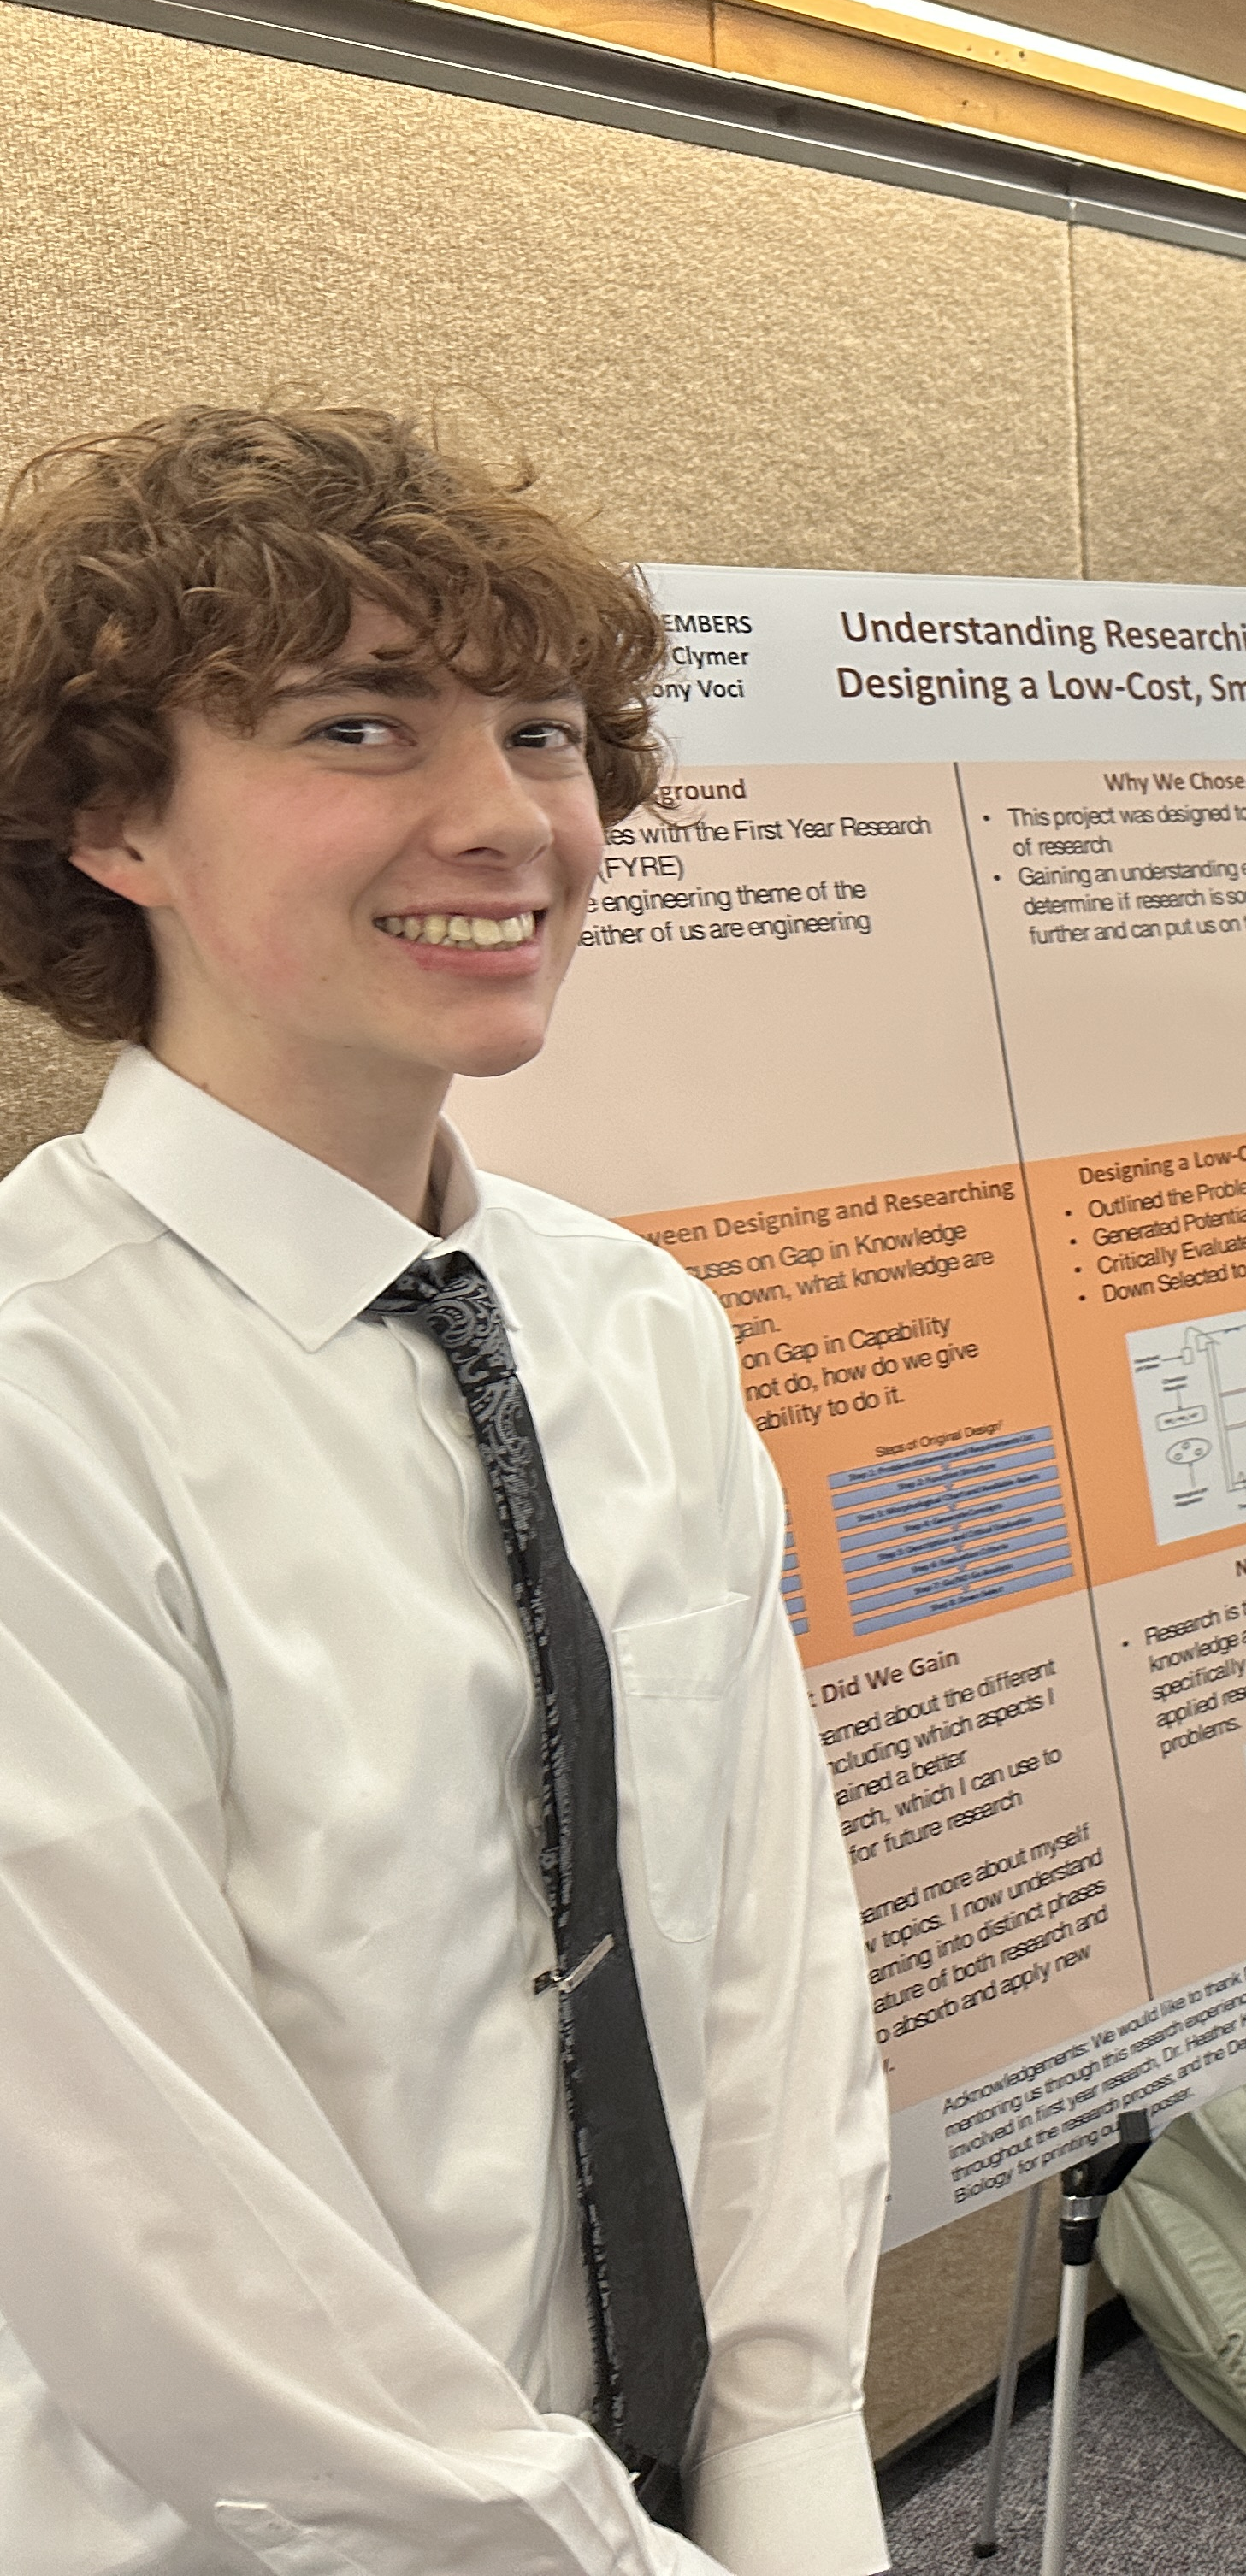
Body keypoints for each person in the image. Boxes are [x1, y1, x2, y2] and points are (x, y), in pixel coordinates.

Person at [0, 408, 888, 2573]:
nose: (507, 821)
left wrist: (786, 2473)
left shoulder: (633, 1328)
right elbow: (148, 2214)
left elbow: (765, 1963)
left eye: (549, 734)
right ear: (118, 819)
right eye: (363, 727)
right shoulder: (42, 1406)